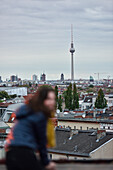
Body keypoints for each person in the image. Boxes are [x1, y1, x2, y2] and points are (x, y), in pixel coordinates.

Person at [5, 86, 56, 170]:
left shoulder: (24, 109)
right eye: (49, 99)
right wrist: (46, 162)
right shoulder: (40, 115)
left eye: (53, 99)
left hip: (10, 154)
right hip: (24, 153)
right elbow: (41, 141)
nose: (52, 102)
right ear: (41, 100)